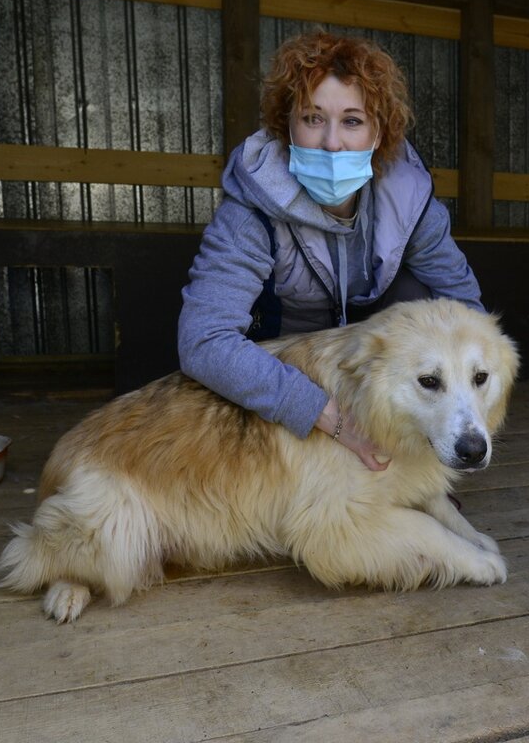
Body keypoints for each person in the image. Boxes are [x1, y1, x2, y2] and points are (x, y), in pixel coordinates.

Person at [178, 31, 484, 471]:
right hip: (290, 368)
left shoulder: (410, 199)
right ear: (287, 127)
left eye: (353, 121)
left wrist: (462, 413)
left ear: (379, 133)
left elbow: (467, 310)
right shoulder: (250, 211)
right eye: (313, 118)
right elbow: (203, 340)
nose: (332, 143)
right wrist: (330, 418)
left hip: (379, 372)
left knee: (426, 293)